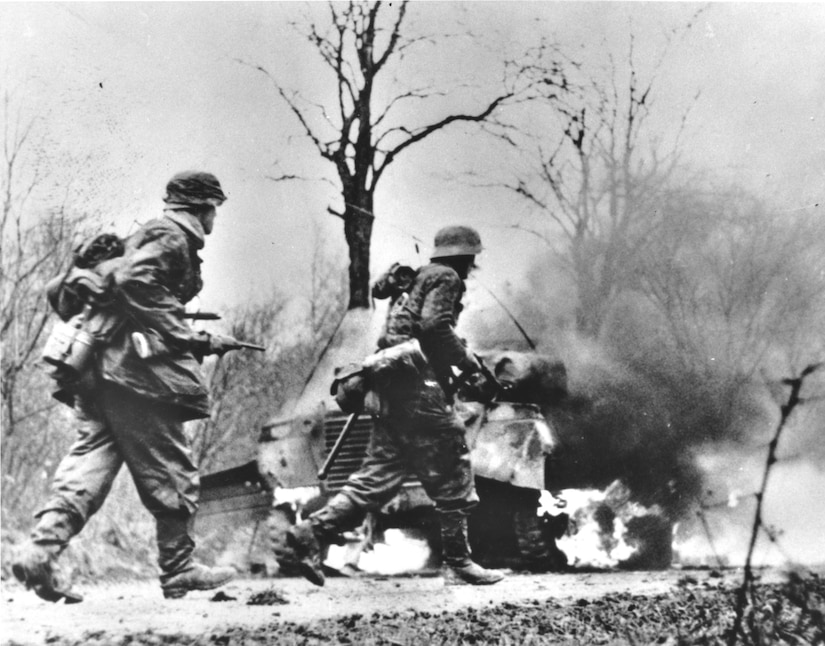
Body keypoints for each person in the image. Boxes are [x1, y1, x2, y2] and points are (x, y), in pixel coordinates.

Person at [12, 171, 237, 602]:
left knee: (87, 470)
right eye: (213, 208)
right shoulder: (171, 237)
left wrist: (198, 339)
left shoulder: (149, 236)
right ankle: (178, 568)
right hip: (136, 381)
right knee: (172, 470)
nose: (214, 218)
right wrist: (194, 339)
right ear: (202, 207)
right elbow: (137, 283)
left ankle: (39, 553)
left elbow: (135, 296)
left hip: (100, 375)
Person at [285, 225, 505, 586]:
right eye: (472, 260)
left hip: (390, 389)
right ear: (465, 257)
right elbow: (434, 327)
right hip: (419, 389)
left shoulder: (414, 279)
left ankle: (311, 531)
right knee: (453, 464)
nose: (471, 268)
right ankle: (459, 563)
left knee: (377, 477)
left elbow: (410, 330)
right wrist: (468, 362)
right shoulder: (448, 277)